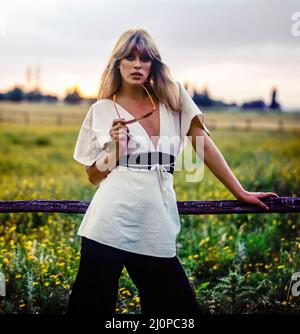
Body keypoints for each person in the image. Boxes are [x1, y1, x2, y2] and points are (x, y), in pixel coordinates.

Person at [67, 28, 279, 315]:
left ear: (154, 64)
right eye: (129, 57)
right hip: (108, 223)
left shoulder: (173, 100)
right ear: (118, 63)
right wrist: (115, 149)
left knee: (177, 312)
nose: (137, 64)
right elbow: (93, 176)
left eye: (145, 58)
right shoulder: (102, 110)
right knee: (90, 308)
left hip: (156, 223)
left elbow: (204, 146)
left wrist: (239, 191)